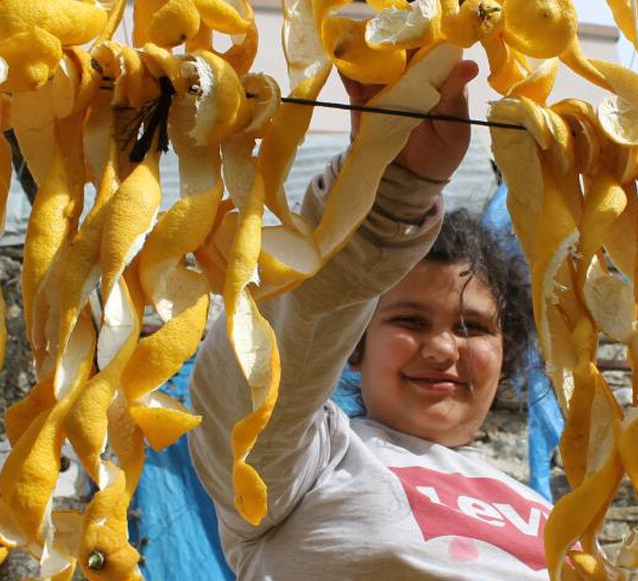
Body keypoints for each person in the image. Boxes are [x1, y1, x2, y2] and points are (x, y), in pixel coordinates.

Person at [187, 57, 550, 579]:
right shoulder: (310, 462)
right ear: (355, 343)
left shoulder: (551, 515)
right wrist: (393, 190)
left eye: (473, 327)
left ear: (507, 350)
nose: (444, 349)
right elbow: (257, 384)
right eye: (410, 321)